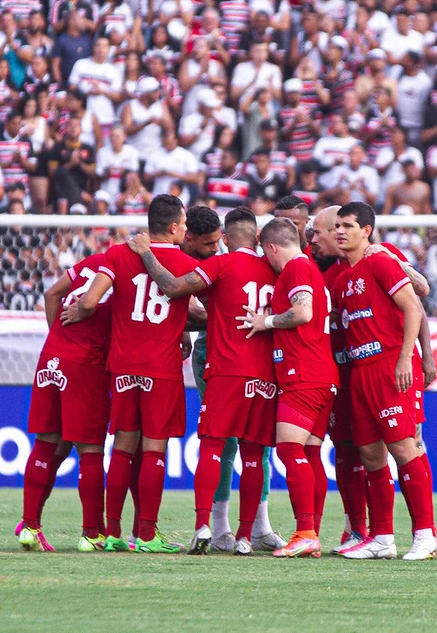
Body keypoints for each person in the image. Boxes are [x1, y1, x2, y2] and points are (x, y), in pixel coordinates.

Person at [127, 208, 282, 556]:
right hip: (265, 375)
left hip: (226, 371)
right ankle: (244, 537)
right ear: (258, 239)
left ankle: (203, 527)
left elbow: (171, 287)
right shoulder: (275, 270)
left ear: (225, 239)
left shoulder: (220, 265)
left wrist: (146, 253)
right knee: (255, 453)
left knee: (213, 447)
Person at [62, 195, 199, 554]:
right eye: (183, 225)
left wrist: (79, 311)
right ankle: (149, 536)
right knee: (154, 451)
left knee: (122, 448)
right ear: (173, 227)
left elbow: (90, 302)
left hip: (123, 365)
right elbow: (195, 308)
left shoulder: (119, 254)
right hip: (161, 367)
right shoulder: (185, 264)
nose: (185, 230)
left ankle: (112, 532)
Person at [332, 201, 437, 561]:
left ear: (366, 231)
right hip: (360, 371)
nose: (340, 231)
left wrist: (407, 357)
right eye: (337, 226)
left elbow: (412, 307)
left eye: (348, 225)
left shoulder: (380, 262)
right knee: (371, 455)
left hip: (389, 365)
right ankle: (381, 538)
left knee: (403, 447)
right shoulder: (344, 278)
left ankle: (425, 534)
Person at [237, 217, 338, 558]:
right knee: (309, 453)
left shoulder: (295, 269)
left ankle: (306, 531)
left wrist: (265, 321)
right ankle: (312, 533)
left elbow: (303, 312)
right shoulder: (311, 269)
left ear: (271, 248)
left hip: (304, 375)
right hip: (323, 375)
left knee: (289, 451)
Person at [18, 253, 113, 552]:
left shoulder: (94, 261)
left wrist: (58, 336)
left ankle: (29, 527)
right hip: (85, 363)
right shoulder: (126, 274)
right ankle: (91, 534)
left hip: (51, 358)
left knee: (46, 443)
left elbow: (51, 293)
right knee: (90, 450)